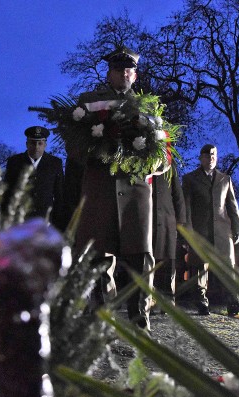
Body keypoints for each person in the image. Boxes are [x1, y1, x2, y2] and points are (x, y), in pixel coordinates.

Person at [70, 45, 155, 330]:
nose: (124, 75)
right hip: (101, 190)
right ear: (109, 74)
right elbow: (74, 145)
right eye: (118, 70)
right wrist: (98, 152)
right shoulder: (89, 102)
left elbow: (164, 151)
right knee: (98, 258)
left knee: (139, 259)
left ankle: (139, 320)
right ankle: (100, 320)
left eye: (129, 70)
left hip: (136, 193)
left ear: (136, 75)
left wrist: (150, 164)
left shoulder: (150, 106)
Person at [182, 144, 239, 316]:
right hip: (199, 231)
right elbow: (186, 208)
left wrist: (238, 228)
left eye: (214, 155)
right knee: (200, 268)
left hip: (223, 231)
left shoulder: (225, 179)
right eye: (208, 155)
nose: (211, 158)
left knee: (228, 267)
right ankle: (201, 302)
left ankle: (233, 302)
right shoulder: (189, 179)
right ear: (201, 158)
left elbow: (232, 206)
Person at [3, 126, 64, 228]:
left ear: (45, 145)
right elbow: (7, 192)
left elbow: (59, 194)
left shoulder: (55, 163)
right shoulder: (14, 162)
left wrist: (57, 222)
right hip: (19, 221)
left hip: (45, 221)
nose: (36, 147)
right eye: (32, 143)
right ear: (27, 144)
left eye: (40, 143)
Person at [152, 170, 186, 309]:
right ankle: (151, 298)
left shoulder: (169, 163)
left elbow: (177, 194)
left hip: (167, 220)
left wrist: (181, 221)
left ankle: (167, 300)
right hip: (147, 218)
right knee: (149, 261)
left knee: (168, 261)